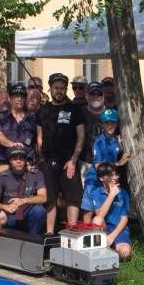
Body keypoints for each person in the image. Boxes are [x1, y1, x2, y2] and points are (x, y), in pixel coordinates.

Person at [36, 72, 85, 233]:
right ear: (50, 89)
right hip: (48, 161)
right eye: (56, 88)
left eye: (62, 88)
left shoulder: (74, 109)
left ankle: (71, 232)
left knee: (73, 198)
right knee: (50, 199)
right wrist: (42, 160)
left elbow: (81, 137)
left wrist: (73, 160)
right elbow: (39, 137)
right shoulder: (43, 110)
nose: (59, 91)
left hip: (68, 162)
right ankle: (50, 233)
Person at [0, 146, 47, 235]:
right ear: (9, 161)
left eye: (21, 158)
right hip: (10, 214)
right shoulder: (3, 176)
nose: (18, 161)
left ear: (25, 160)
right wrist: (4, 207)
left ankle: (33, 241)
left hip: (28, 213)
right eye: (15, 158)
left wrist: (24, 200)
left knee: (39, 211)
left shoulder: (36, 174)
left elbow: (43, 197)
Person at [81, 162, 131, 259]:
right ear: (101, 178)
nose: (114, 177)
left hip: (118, 229)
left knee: (125, 253)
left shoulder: (123, 193)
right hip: (103, 228)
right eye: (110, 175)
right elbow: (99, 215)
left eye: (116, 174)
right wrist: (111, 195)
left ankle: (110, 248)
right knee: (97, 220)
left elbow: (124, 219)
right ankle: (103, 248)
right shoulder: (96, 193)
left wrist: (112, 236)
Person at [0, 82, 37, 164]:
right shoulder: (0, 117)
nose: (19, 99)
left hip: (27, 163)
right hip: (5, 163)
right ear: (10, 99)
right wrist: (12, 145)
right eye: (16, 96)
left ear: (25, 99)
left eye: (22, 96)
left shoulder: (32, 119)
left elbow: (36, 141)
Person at [86, 108, 126, 191]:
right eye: (107, 123)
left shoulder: (118, 139)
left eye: (113, 122)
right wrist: (118, 163)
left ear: (117, 124)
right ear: (102, 125)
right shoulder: (99, 141)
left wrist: (121, 148)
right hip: (96, 179)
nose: (110, 126)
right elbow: (98, 167)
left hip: (111, 177)